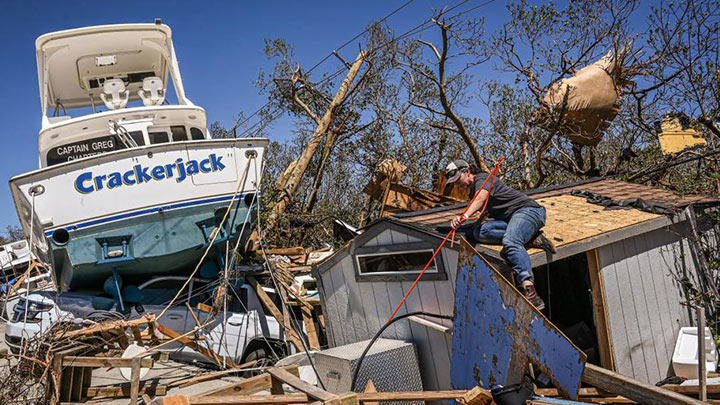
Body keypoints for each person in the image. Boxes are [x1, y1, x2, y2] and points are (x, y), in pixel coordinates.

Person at [445, 159, 555, 310]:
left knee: (511, 241)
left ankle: (530, 291)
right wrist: (465, 227)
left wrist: (462, 216)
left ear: (467, 171)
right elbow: (481, 216)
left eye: (458, 180)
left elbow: (480, 198)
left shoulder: (483, 179)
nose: (458, 184)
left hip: (529, 212)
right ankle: (530, 237)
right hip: (510, 221)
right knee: (479, 232)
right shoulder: (473, 192)